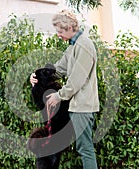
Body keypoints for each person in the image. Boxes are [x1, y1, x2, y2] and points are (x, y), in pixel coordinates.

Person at [30, 9, 99, 169]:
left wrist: (58, 96)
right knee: (82, 148)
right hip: (75, 106)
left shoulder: (84, 45)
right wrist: (36, 76)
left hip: (82, 106)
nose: (58, 34)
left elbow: (77, 80)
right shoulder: (73, 47)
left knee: (85, 149)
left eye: (60, 31)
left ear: (69, 27)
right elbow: (58, 70)